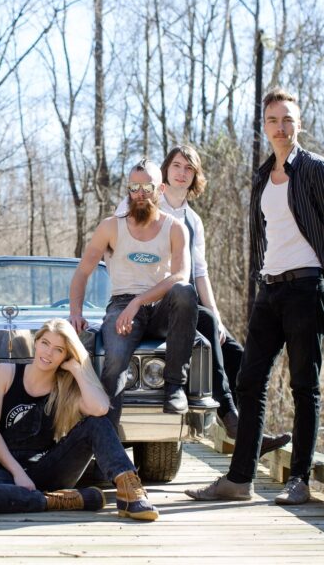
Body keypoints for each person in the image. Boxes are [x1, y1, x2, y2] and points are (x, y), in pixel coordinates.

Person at [186, 88, 324, 505]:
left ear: (298, 123)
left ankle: (298, 479)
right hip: (270, 290)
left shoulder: (315, 169)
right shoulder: (263, 176)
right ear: (264, 127)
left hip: (306, 288)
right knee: (249, 381)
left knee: (305, 386)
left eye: (287, 120)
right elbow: (262, 235)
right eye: (272, 121)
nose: (280, 128)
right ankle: (239, 479)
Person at [116, 146, 290, 455]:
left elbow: (200, 273)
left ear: (195, 176)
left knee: (235, 352)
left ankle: (251, 430)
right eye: (177, 166)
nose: (182, 172)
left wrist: (218, 314)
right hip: (151, 305)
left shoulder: (194, 221)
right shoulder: (141, 203)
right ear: (165, 173)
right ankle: (233, 422)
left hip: (185, 302)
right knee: (207, 322)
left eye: (189, 168)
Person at [0, 318, 158, 521]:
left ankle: (130, 492)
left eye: (58, 350)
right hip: (2, 469)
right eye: (45, 343)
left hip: (49, 468)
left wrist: (78, 370)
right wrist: (17, 473)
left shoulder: (66, 390)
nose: (48, 353)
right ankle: (57, 501)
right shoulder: (5, 373)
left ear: (66, 356)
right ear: (36, 342)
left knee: (96, 424)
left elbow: (100, 410)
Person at [69, 159, 197, 420]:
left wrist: (139, 301)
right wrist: (75, 312)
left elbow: (181, 275)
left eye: (146, 187)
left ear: (160, 189)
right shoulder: (110, 227)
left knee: (185, 292)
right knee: (114, 362)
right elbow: (82, 272)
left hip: (161, 306)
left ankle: (175, 386)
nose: (139, 194)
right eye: (133, 187)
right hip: (121, 307)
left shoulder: (175, 228)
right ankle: (108, 444)